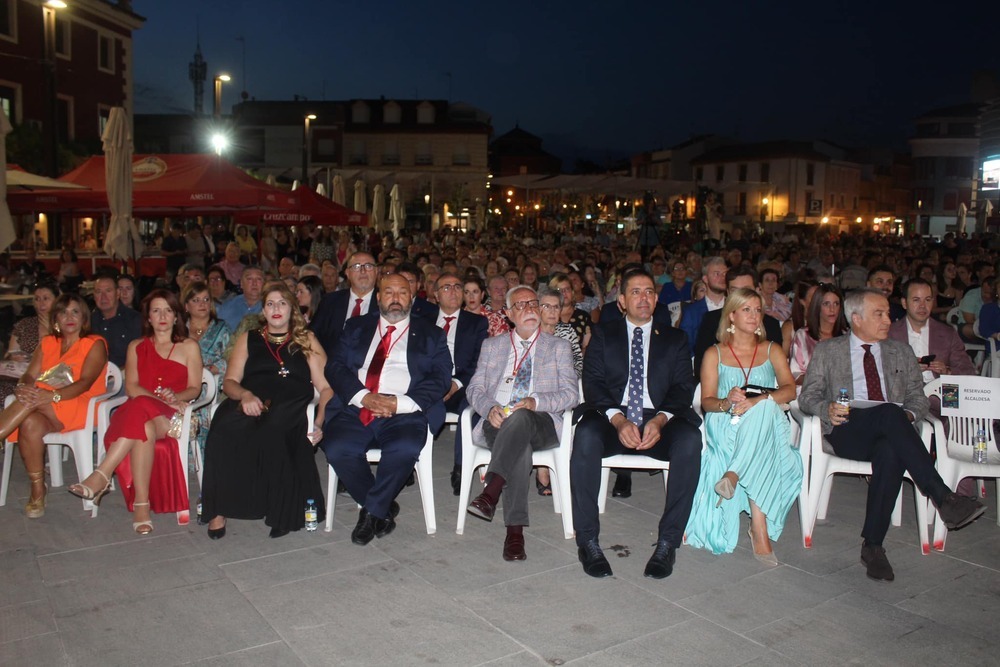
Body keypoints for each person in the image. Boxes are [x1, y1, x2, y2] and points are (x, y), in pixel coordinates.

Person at [799, 288, 986, 582]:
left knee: (890, 446)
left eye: (888, 313)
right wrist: (827, 408)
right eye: (880, 314)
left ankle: (873, 546)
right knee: (888, 413)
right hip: (847, 429)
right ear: (856, 318)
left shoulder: (900, 351)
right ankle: (943, 497)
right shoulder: (829, 350)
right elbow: (808, 397)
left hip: (893, 429)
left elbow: (918, 399)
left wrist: (908, 415)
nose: (888, 319)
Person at [570, 269, 702, 579]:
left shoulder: (675, 339)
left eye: (648, 292)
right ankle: (587, 539)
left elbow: (683, 387)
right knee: (586, 435)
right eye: (635, 292)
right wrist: (617, 419)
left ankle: (668, 542)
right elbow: (593, 383)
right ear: (621, 302)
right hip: (614, 417)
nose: (643, 298)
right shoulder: (603, 334)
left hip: (659, 417)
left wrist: (659, 419)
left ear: (657, 299)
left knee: (690, 440)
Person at [319, 274, 451, 546]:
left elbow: (440, 378)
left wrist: (398, 403)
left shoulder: (432, 333)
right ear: (378, 297)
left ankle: (372, 512)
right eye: (388, 292)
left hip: (405, 410)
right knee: (337, 448)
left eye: (402, 292)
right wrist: (362, 397)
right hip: (357, 406)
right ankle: (382, 507)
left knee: (404, 448)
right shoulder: (355, 326)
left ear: (412, 298)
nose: (395, 298)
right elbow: (335, 367)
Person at [201, 282, 331, 539]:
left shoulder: (307, 339)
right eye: (270, 304)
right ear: (263, 309)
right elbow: (230, 382)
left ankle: (280, 509)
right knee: (222, 428)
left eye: (282, 303)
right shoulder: (249, 338)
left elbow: (326, 388)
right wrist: (246, 395)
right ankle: (218, 509)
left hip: (290, 404)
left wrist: (320, 421)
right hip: (251, 399)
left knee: (275, 428)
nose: (276, 309)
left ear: (291, 307)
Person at [71, 290, 203, 534]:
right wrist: (156, 399)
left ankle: (102, 475)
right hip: (144, 414)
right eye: (156, 310)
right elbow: (131, 386)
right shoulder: (136, 346)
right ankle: (142, 505)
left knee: (137, 407)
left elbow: (194, 388)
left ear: (176, 317)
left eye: (168, 310)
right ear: (148, 318)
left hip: (175, 417)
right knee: (142, 423)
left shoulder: (189, 347)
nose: (162, 315)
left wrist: (176, 398)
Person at [686, 288, 801, 563]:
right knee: (759, 419)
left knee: (762, 412)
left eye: (757, 310)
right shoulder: (714, 353)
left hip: (765, 419)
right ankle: (757, 527)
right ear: (732, 316)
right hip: (726, 420)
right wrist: (728, 401)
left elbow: (790, 390)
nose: (753, 315)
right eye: (746, 309)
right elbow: (707, 402)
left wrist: (760, 399)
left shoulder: (772, 349)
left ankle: (735, 477)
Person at [465, 284, 579, 561]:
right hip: (498, 419)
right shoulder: (492, 346)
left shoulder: (558, 347)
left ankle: (491, 493)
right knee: (520, 446)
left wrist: (536, 402)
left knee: (523, 417)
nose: (529, 309)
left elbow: (571, 395)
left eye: (532, 303)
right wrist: (489, 406)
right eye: (521, 305)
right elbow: (474, 388)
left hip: (541, 421)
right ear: (507, 314)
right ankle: (514, 532)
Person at [0, 294, 108, 518]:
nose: (69, 317)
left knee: (31, 400)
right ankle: (38, 487)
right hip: (41, 404)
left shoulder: (94, 343)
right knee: (29, 422)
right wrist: (22, 387)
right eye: (63, 312)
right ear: (56, 318)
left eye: (75, 312)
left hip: (78, 405)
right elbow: (29, 374)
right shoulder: (48, 342)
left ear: (83, 318)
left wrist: (53, 396)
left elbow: (85, 382)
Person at [431, 272, 488, 496]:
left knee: (469, 407)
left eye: (457, 286)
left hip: (461, 385)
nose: (453, 291)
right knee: (418, 407)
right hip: (430, 384)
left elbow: (478, 363)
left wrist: (454, 384)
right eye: (446, 287)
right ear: (436, 295)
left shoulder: (476, 323)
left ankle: (461, 466)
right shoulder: (423, 321)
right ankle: (408, 460)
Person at [692, 267, 784, 376]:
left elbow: (778, 374)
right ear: (727, 293)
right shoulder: (712, 320)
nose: (740, 296)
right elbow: (700, 368)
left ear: (757, 290)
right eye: (734, 291)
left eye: (746, 290)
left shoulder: (770, 324)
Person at [888, 278, 976, 382]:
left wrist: (947, 371)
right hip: (902, 394)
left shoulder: (947, 333)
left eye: (928, 300)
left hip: (937, 393)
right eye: (916, 300)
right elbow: (880, 371)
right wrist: (906, 369)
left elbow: (967, 370)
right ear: (904, 303)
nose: (922, 306)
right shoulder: (889, 333)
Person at [182, 281, 231, 460]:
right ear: (186, 305)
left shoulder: (221, 328)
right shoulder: (179, 330)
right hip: (183, 380)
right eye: (196, 300)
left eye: (205, 299)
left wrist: (212, 368)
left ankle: (204, 453)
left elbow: (230, 358)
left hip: (213, 382)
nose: (202, 304)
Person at [0, 281, 59, 404]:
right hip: (17, 376)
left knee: (6, 393)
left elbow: (64, 355)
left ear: (57, 301)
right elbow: (9, 353)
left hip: (45, 380)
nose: (40, 303)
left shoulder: (64, 326)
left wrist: (51, 330)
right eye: (37, 299)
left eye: (46, 299)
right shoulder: (25, 324)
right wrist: (13, 356)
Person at [311, 251, 379, 353]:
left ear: (376, 271)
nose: (363, 271)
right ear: (347, 273)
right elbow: (312, 335)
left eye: (368, 266)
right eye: (356, 266)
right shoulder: (330, 301)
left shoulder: (386, 303)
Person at [789, 283, 848, 381]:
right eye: (826, 304)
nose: (832, 309)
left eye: (836, 304)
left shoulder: (847, 336)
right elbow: (796, 374)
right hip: (810, 392)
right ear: (817, 306)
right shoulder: (803, 336)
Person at [90, 272, 142, 369]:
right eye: (98, 292)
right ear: (94, 295)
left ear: (118, 294)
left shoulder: (135, 319)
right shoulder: (89, 320)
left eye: (108, 291)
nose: (103, 297)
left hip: (125, 376)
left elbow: (140, 358)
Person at [678, 256, 728, 350]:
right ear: (705, 279)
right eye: (717, 274)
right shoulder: (691, 312)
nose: (722, 277)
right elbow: (686, 346)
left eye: (725, 274)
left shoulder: (735, 307)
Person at [550, 273, 592, 352]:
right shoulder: (548, 316)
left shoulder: (583, 316)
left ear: (572, 292)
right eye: (559, 290)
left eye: (567, 289)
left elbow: (588, 347)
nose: (564, 293)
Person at [217, 267, 265, 331]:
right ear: (241, 284)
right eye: (249, 279)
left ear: (264, 284)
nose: (254, 283)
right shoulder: (227, 307)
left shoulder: (270, 307)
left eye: (259, 279)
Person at [780, 280, 818, 358]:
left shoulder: (825, 322)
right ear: (803, 301)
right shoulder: (789, 326)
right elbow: (783, 357)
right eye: (814, 297)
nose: (818, 300)